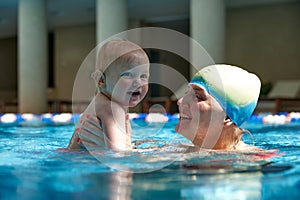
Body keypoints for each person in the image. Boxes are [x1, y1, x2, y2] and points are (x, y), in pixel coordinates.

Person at [67, 39, 150, 151]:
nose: (138, 82)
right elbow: (118, 155)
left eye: (143, 76)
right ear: (101, 80)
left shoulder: (101, 102)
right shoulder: (112, 108)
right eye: (128, 75)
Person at [176, 64, 262, 151]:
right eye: (186, 93)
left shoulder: (252, 159)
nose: (180, 102)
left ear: (227, 118)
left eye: (197, 96)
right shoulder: (177, 151)